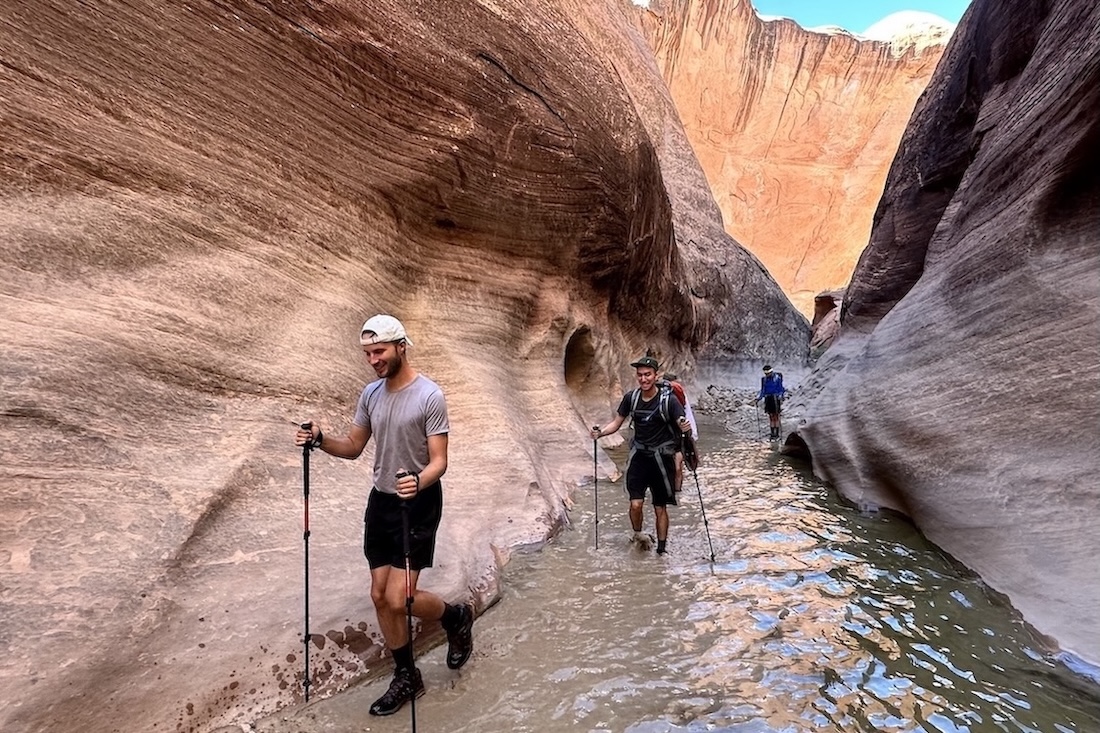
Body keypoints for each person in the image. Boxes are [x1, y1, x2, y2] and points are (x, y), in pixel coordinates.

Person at [294, 314, 474, 717]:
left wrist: (418, 480)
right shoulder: (371, 395)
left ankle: (457, 616)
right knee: (379, 595)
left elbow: (440, 461)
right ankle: (407, 676)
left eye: (379, 352)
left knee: (401, 597)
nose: (373, 360)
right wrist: (320, 440)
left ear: (401, 346)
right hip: (382, 502)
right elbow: (355, 446)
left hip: (420, 500)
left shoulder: (430, 395)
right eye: (368, 354)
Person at [590, 356, 691, 556]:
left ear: (656, 376)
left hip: (662, 459)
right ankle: (638, 534)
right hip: (639, 458)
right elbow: (617, 422)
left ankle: (661, 551)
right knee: (635, 504)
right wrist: (600, 433)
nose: (643, 379)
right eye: (640, 375)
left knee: (660, 507)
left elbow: (682, 423)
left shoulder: (669, 401)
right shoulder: (631, 398)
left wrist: (685, 428)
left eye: (647, 375)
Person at [660, 372, 699, 493]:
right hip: (678, 435)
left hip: (674, 435)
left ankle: (673, 491)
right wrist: (692, 434)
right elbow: (688, 414)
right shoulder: (678, 393)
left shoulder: (674, 394)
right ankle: (676, 491)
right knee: (677, 466)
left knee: (674, 466)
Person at [755, 364, 788, 440]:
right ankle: (772, 433)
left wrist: (781, 396)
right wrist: (759, 398)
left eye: (768, 373)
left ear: (771, 372)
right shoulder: (764, 379)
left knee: (776, 416)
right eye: (766, 374)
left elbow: (781, 388)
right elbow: (763, 390)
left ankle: (776, 433)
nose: (767, 375)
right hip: (768, 398)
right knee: (771, 416)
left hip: (775, 398)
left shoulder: (777, 378)